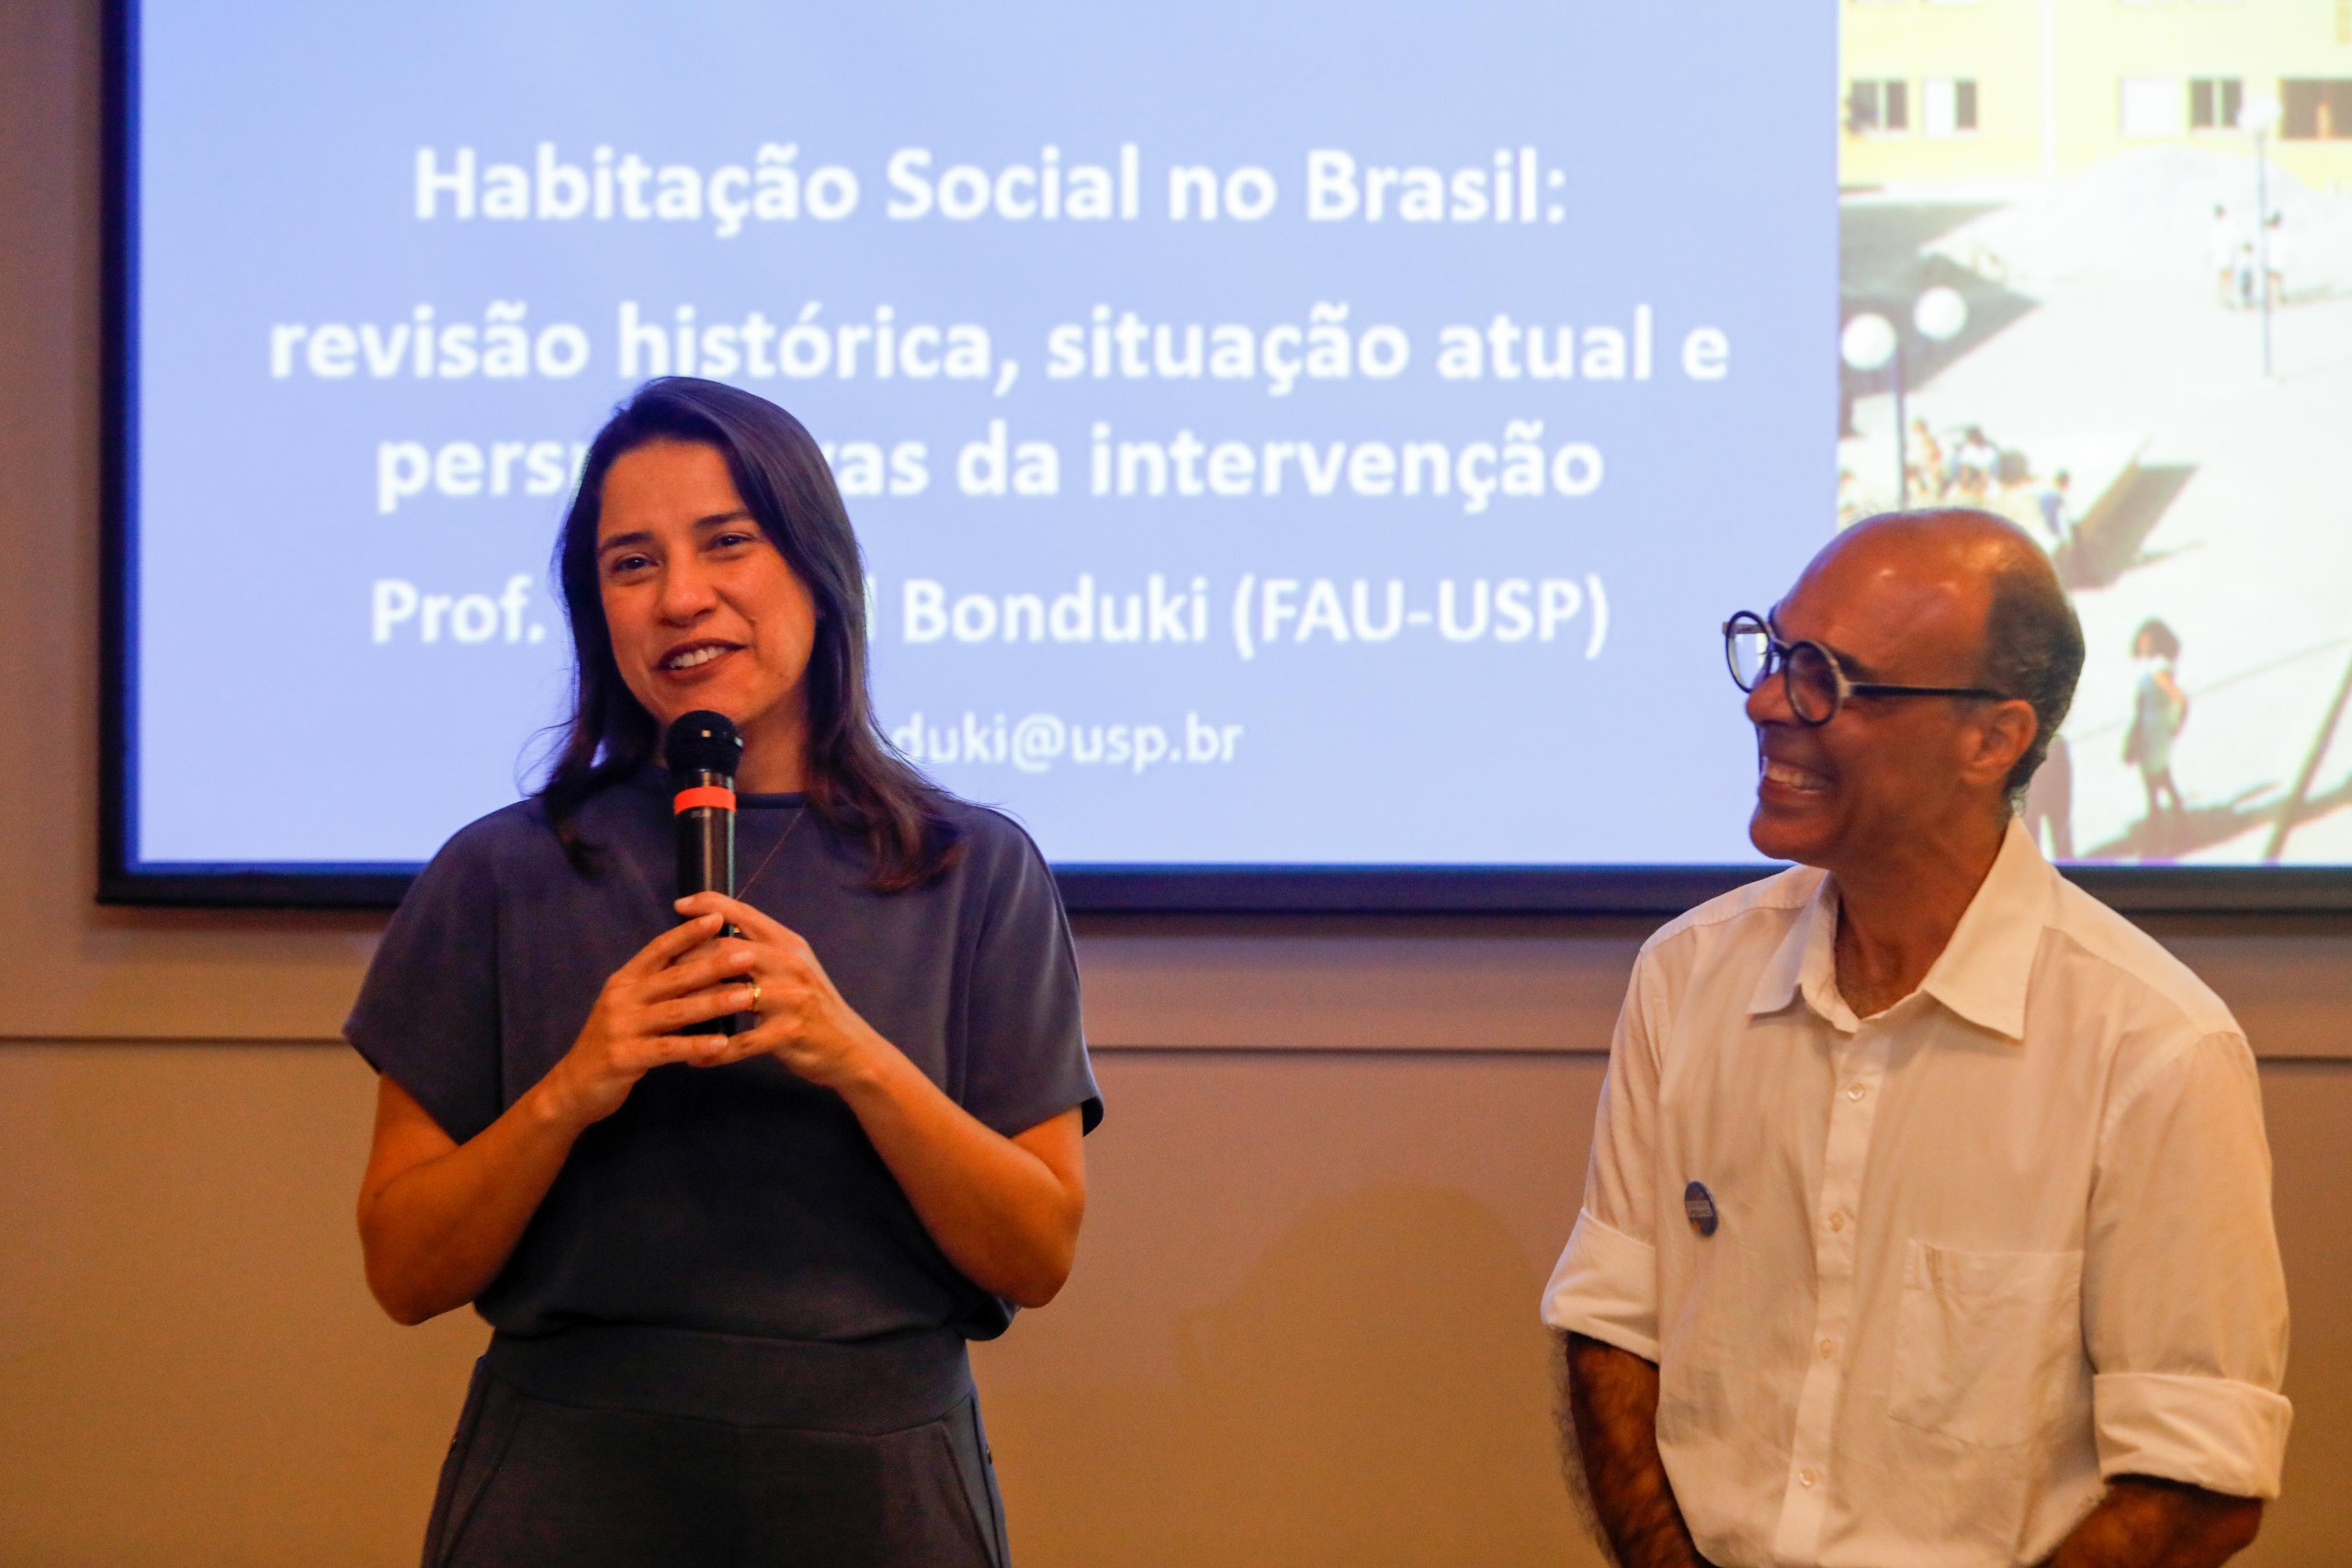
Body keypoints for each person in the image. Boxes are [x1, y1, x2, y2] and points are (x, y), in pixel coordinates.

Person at [348, 378, 1101, 1567]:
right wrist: (572, 1087)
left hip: (878, 1472)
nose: (681, 596)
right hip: (568, 1474)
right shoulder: (503, 870)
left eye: (727, 543)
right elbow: (401, 1264)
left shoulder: (971, 867)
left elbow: (1038, 1250)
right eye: (631, 563)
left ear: (815, 563)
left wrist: (851, 1052)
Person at [1544, 511, 2288, 1567]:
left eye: (1824, 678)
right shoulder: (1687, 975)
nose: (1764, 702)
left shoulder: (2154, 1047)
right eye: (1770, 649)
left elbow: (2199, 1481)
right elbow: (1612, 1325)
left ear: (1993, 740)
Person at [2125, 616, 2188, 852]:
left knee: (2153, 782)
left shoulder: (2159, 667)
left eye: (2147, 640)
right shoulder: (2155, 665)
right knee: (2162, 778)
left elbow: (2179, 698)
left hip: (2153, 733)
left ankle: (2157, 833)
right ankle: (2177, 823)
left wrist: (2173, 726)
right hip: (2151, 729)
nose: (2143, 645)